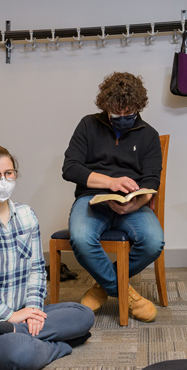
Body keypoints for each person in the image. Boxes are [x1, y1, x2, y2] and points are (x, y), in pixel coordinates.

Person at [0, 145, 95, 370]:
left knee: (84, 314)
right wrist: (9, 316)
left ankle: (19, 332)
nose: (2, 180)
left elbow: (37, 268)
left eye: (8, 173)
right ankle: (59, 346)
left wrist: (33, 308)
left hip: (23, 315)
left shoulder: (26, 215)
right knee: (21, 354)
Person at [63, 72, 164, 322]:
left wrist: (134, 204)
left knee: (153, 242)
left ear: (138, 107)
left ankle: (102, 286)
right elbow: (70, 168)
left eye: (128, 115)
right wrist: (109, 182)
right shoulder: (88, 125)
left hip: (133, 203)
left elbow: (151, 181)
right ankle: (124, 292)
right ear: (105, 107)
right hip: (92, 199)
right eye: (115, 114)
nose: (122, 119)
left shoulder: (149, 135)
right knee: (81, 238)